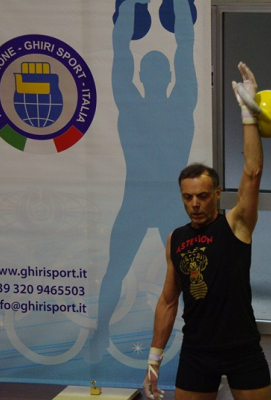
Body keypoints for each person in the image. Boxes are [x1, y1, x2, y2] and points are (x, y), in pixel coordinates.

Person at [142, 62, 271, 400]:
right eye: (188, 198)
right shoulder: (176, 239)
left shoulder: (236, 225)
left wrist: (248, 114)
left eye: (202, 196)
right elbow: (168, 301)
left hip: (242, 347)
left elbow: (253, 171)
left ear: (216, 194)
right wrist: (153, 360)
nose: (195, 204)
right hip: (198, 350)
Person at [88, 0, 197, 362]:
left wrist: (132, 8)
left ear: (152, 76)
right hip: (146, 201)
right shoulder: (178, 104)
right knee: (117, 271)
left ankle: (197, 333)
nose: (151, 73)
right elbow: (182, 45)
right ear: (166, 76)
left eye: (153, 68)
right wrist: (176, 6)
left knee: (189, 275)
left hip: (160, 202)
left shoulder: (136, 104)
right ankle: (99, 336)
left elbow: (126, 49)